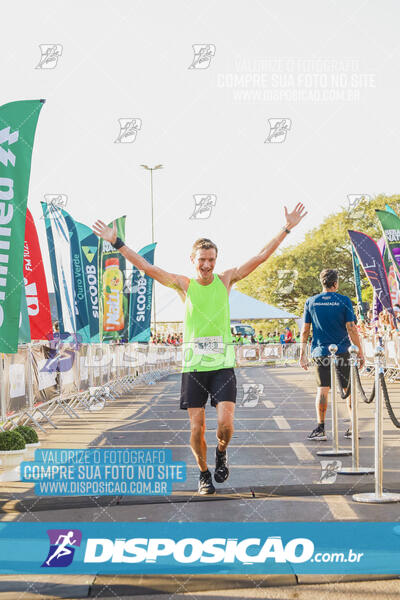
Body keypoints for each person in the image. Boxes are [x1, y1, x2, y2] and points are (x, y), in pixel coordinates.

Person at [93, 203, 306, 494]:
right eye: (202, 260)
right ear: (192, 259)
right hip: (194, 367)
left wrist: (286, 228)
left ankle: (221, 452)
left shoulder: (226, 279)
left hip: (222, 365)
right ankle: (204, 473)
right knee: (196, 429)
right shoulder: (183, 284)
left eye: (211, 260)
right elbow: (146, 267)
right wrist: (116, 241)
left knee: (225, 425)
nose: (207, 265)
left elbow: (260, 257)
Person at [299, 268, 365, 441]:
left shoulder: (311, 301)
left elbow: (305, 330)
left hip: (321, 352)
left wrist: (302, 354)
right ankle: (353, 427)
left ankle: (321, 428)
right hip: (343, 351)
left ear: (322, 283)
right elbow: (352, 328)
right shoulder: (344, 301)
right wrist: (360, 353)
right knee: (348, 390)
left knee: (322, 390)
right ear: (335, 283)